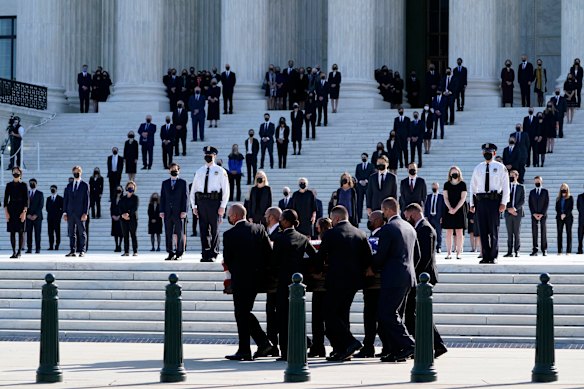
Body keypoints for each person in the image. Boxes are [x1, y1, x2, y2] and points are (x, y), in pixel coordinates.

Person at [318, 206, 372, 362]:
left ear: (335, 219)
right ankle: (342, 350)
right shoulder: (360, 233)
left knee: (328, 313)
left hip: (336, 280)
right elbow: (368, 258)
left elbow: (321, 256)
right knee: (342, 314)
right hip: (354, 281)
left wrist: (317, 269)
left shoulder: (331, 233)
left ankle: (350, 342)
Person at [223, 204, 273, 361]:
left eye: (230, 215)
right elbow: (268, 253)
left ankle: (246, 349)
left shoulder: (229, 234)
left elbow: (228, 260)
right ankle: (263, 343)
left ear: (235, 216)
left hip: (241, 280)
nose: (229, 218)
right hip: (258, 278)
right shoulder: (259, 229)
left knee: (241, 313)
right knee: (243, 313)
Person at [402, 203, 448, 358]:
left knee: (413, 314)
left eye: (408, 217)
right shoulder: (422, 228)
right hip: (421, 277)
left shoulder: (425, 229)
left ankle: (433, 345)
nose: (407, 220)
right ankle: (429, 345)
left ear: (413, 214)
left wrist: (416, 276)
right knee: (417, 314)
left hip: (423, 278)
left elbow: (425, 257)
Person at [373, 198, 416, 362]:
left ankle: (408, 344)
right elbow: (416, 254)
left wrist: (371, 265)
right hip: (407, 276)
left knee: (386, 313)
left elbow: (381, 256)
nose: (382, 214)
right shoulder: (409, 227)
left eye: (383, 211)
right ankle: (397, 350)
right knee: (395, 314)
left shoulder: (388, 228)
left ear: (387, 210)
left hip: (393, 277)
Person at [272, 209, 317, 360]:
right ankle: (304, 342)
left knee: (283, 317)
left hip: (283, 282)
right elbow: (314, 257)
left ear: (285, 221)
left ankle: (285, 351)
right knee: (297, 316)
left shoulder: (279, 238)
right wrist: (301, 267)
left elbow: (274, 261)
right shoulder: (303, 238)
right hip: (298, 282)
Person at [469, 144, 510, 264]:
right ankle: (485, 255)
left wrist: (504, 203)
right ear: (482, 153)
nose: (487, 153)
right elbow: (472, 186)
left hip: (494, 201)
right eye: (485, 151)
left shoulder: (500, 167)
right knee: (482, 229)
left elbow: (506, 186)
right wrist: (472, 203)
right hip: (481, 201)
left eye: (490, 152)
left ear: (494, 153)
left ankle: (494, 255)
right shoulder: (478, 168)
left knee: (493, 229)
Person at [190, 147, 230, 262]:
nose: (208, 157)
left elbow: (226, 190)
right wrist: (194, 206)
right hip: (202, 202)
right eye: (206, 155)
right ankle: (205, 253)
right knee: (203, 229)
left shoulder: (220, 171)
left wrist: (223, 206)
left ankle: (214, 253)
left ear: (215, 156)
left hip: (214, 202)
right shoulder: (199, 171)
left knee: (214, 229)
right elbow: (194, 189)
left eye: (210, 155)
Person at [354, 210, 384, 358]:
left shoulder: (377, 237)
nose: (369, 221)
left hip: (373, 283)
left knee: (371, 316)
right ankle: (384, 345)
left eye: (371, 219)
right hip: (379, 283)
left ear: (378, 220)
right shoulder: (378, 235)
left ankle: (369, 346)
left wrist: (370, 268)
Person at [306, 216, 332, 358]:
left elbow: (318, 259)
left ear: (319, 229)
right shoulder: (335, 239)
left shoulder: (324, 242)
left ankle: (318, 346)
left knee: (317, 319)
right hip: (331, 284)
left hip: (320, 284)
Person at [263, 206, 283, 356]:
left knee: (275, 312)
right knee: (271, 312)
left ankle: (274, 343)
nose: (264, 217)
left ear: (271, 217)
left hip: (277, 280)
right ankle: (272, 342)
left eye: (266, 215)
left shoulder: (279, 234)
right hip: (271, 280)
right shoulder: (269, 232)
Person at [160, 163, 189, 260]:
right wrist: (161, 210)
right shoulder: (165, 183)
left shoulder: (183, 182)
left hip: (179, 212)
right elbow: (163, 198)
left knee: (179, 233)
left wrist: (184, 211)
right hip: (168, 212)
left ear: (179, 171)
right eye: (172, 169)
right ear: (169, 171)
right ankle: (170, 252)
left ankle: (179, 253)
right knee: (168, 233)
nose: (174, 171)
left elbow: (185, 198)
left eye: (176, 169)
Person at [63, 166, 90, 257]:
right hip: (70, 213)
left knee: (82, 232)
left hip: (80, 213)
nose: (76, 173)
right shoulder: (69, 185)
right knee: (71, 232)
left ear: (81, 172)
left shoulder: (85, 185)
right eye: (74, 172)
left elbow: (87, 200)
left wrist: (85, 213)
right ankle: (72, 251)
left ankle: (82, 250)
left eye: (78, 172)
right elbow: (65, 199)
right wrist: (65, 212)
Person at [442, 166, 467, 259]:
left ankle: (458, 252)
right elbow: (445, 197)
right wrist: (450, 208)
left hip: (459, 209)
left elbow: (463, 198)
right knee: (449, 232)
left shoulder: (463, 184)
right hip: (449, 209)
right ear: (450, 174)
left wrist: (455, 209)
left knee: (459, 232)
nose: (454, 174)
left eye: (456, 172)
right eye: (452, 172)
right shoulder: (446, 184)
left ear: (459, 173)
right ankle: (448, 253)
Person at [4, 167, 28, 258]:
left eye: (17, 172)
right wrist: (6, 212)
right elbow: (6, 200)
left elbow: (27, 200)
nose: (15, 173)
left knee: (21, 232)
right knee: (12, 232)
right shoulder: (9, 185)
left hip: (21, 209)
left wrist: (24, 212)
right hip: (11, 209)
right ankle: (13, 251)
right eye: (14, 172)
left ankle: (19, 252)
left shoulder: (24, 185)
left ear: (20, 173)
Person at [504, 170, 525, 257]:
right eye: (510, 175)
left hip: (517, 213)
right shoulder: (506, 187)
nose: (511, 177)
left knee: (516, 232)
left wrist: (515, 209)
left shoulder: (521, 187)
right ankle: (509, 252)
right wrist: (509, 209)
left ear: (517, 176)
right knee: (509, 233)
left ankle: (517, 251)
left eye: (513, 175)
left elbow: (522, 200)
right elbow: (504, 198)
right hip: (508, 212)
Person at [529, 176, 549, 256]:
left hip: (543, 215)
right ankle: (535, 250)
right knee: (534, 232)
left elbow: (546, 203)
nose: (537, 182)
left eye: (538, 181)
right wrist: (533, 213)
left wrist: (542, 214)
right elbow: (530, 203)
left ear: (541, 181)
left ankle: (544, 250)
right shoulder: (532, 192)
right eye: (536, 181)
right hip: (534, 215)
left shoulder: (545, 191)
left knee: (543, 232)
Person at [118, 181, 139, 256]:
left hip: (132, 219)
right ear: (126, 188)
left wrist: (128, 214)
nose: (131, 188)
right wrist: (123, 215)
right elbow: (119, 207)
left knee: (133, 235)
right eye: (129, 186)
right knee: (125, 235)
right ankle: (126, 251)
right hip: (123, 219)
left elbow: (135, 208)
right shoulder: (122, 198)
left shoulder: (135, 198)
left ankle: (135, 251)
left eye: (132, 187)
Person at [355, 153, 374, 222]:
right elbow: (357, 174)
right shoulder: (358, 166)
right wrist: (360, 181)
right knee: (359, 201)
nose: (363, 158)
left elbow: (372, 173)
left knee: (368, 201)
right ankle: (359, 217)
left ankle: (370, 217)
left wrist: (366, 180)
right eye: (362, 157)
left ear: (367, 157)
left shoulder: (371, 166)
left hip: (368, 186)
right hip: (360, 186)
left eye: (364, 157)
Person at [556, 183, 573, 255]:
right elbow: (556, 208)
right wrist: (561, 214)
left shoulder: (570, 197)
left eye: (565, 188)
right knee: (559, 233)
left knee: (569, 233)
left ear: (567, 189)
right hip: (559, 217)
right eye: (562, 187)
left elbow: (571, 208)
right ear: (560, 189)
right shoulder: (558, 198)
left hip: (568, 217)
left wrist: (565, 214)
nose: (563, 189)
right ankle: (559, 251)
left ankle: (568, 251)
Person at [46, 185, 63, 251]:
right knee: (50, 233)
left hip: (57, 218)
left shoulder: (60, 198)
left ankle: (57, 245)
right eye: (51, 189)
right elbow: (47, 208)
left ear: (56, 189)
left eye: (53, 189)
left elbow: (62, 208)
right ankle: (51, 246)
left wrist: (59, 216)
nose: (52, 190)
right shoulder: (48, 198)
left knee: (57, 232)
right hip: (50, 218)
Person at [110, 185, 123, 252]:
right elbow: (111, 208)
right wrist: (112, 215)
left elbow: (124, 208)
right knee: (115, 233)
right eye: (117, 189)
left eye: (119, 189)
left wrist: (120, 216)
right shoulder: (113, 198)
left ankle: (120, 246)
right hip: (114, 218)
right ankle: (116, 245)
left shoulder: (123, 198)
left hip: (121, 218)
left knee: (121, 233)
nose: (118, 191)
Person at [577, 187, 584, 254]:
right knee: (580, 235)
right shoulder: (580, 196)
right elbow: (578, 206)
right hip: (581, 219)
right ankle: (580, 250)